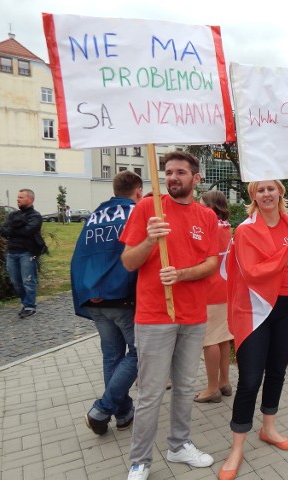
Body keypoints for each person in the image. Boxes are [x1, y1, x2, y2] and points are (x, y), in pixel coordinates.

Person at [120, 151, 219, 480]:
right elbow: (129, 261)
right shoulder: (149, 208)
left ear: (196, 178)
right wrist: (150, 239)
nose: (173, 177)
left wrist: (181, 274)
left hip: (193, 316)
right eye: (168, 172)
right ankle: (140, 461)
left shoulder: (206, 216)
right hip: (154, 316)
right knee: (149, 393)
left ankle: (179, 445)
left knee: (186, 385)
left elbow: (210, 264)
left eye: (180, 172)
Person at [218, 180, 288, 480]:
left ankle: (268, 428)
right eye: (261, 189)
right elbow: (251, 271)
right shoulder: (245, 230)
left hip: (287, 308)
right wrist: (287, 256)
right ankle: (236, 447)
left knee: (278, 372)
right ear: (253, 195)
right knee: (249, 380)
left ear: (281, 192)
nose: (267, 194)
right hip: (255, 310)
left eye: (272, 188)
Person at [70, 171, 143, 435]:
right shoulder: (136, 212)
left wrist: (86, 290)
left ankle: (123, 413)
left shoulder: (94, 216)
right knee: (139, 353)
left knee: (112, 355)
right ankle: (102, 408)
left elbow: (80, 256)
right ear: (138, 192)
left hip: (93, 294)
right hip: (121, 296)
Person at [194, 190, 234, 403]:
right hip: (225, 289)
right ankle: (224, 381)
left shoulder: (209, 229)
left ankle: (211, 388)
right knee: (223, 338)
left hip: (210, 290)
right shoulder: (226, 228)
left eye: (202, 205)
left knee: (209, 340)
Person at [0, 189, 43, 318]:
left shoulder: (35, 216)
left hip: (27, 253)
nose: (18, 199)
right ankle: (25, 303)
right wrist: (16, 227)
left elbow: (27, 231)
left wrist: (12, 228)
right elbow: (3, 230)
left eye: (21, 197)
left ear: (30, 199)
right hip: (12, 252)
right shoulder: (13, 215)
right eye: (18, 197)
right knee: (16, 282)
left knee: (28, 280)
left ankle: (30, 306)